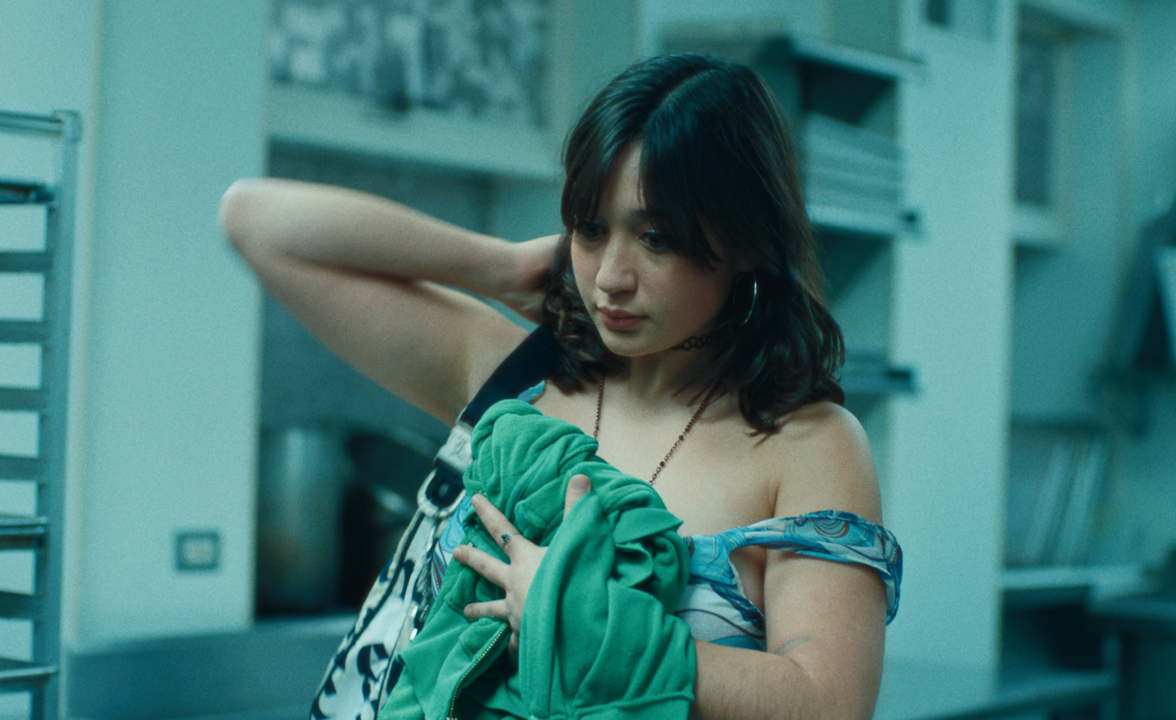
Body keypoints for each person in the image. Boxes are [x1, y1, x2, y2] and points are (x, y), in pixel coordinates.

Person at [221, 53, 901, 720]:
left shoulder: (809, 445)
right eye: (591, 228)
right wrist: (500, 266)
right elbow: (255, 222)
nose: (610, 277)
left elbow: (830, 704)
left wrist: (578, 621)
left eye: (656, 238)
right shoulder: (517, 378)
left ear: (748, 241)